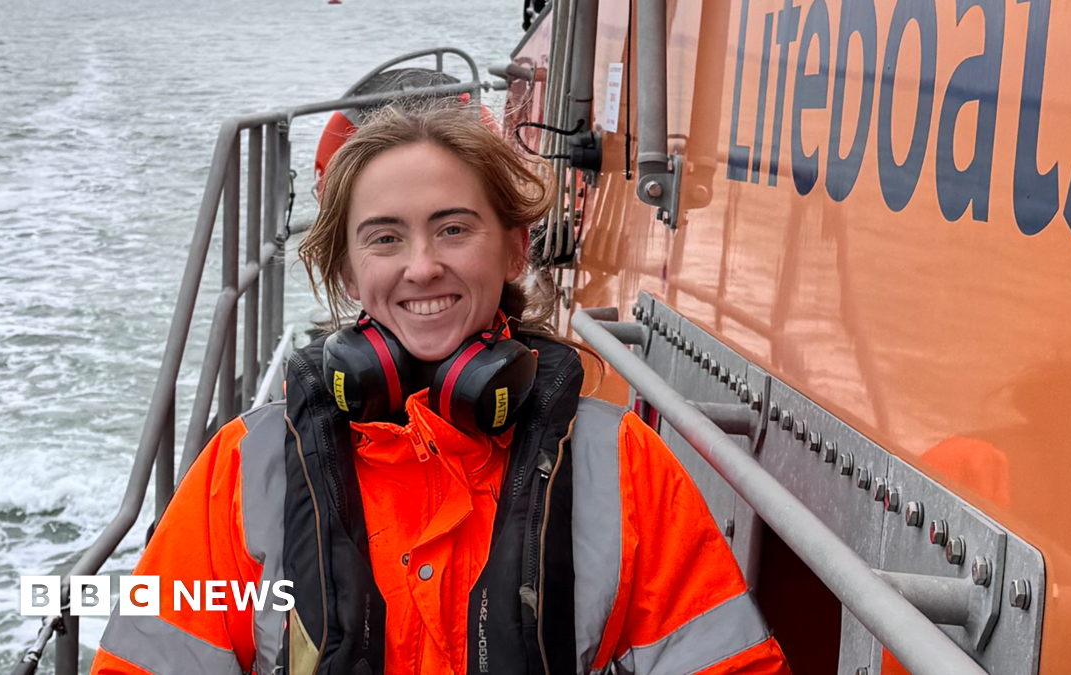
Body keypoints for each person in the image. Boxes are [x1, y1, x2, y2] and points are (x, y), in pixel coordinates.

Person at [91, 102, 790, 675]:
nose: (422, 267)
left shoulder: (622, 465)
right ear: (346, 270)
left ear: (515, 247)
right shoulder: (246, 469)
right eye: (385, 238)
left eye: (453, 229)